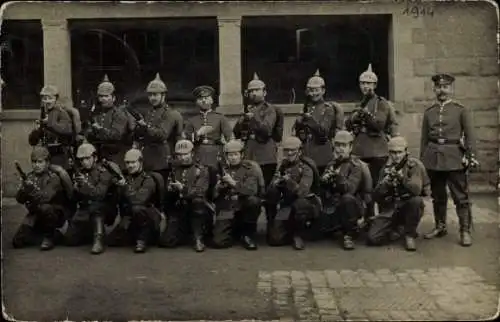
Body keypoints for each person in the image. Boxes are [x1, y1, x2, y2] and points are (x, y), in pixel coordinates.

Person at [420, 73, 478, 247]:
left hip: (454, 157)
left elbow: (470, 136)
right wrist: (423, 160)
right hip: (433, 158)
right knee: (438, 195)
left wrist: (470, 156)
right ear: (434, 89)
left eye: (445, 87)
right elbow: (424, 139)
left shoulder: (460, 110)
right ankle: (440, 226)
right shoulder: (429, 112)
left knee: (460, 196)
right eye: (438, 87)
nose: (441, 90)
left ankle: (465, 230)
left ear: (451, 89)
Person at [346, 63, 399, 223]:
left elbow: (379, 125)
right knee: (363, 188)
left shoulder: (381, 103)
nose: (365, 86)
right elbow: (349, 124)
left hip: (377, 151)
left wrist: (365, 115)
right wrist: (354, 117)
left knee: (379, 187)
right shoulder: (360, 103)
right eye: (363, 83)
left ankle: (383, 219)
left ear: (375, 85)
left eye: (369, 83)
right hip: (360, 148)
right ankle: (368, 218)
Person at [367, 137, 430, 251]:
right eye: (393, 152)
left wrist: (402, 178)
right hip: (390, 208)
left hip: (407, 205)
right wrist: (386, 183)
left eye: (399, 152)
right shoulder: (385, 168)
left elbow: (416, 189)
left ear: (406, 151)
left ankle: (409, 234)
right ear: (389, 153)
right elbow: (376, 195)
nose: (396, 156)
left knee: (416, 201)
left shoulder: (414, 165)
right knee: (373, 238)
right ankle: (397, 229)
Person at [266, 136, 320, 250]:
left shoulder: (306, 167)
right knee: (275, 239)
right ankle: (288, 230)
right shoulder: (283, 165)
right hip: (288, 204)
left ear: (299, 151)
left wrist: (288, 182)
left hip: (306, 204)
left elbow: (302, 192)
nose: (289, 153)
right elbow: (272, 186)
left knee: (300, 204)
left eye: (292, 151)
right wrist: (275, 184)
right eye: (287, 151)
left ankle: (298, 233)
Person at [64, 143, 119, 254]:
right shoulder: (80, 173)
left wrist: (85, 185)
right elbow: (73, 198)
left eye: (88, 158)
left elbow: (99, 194)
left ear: (95, 157)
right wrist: (75, 188)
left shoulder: (104, 172)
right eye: (82, 159)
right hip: (85, 208)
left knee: (96, 209)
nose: (85, 162)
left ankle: (98, 238)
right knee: (70, 239)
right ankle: (89, 230)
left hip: (103, 207)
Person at [158, 139, 212, 252]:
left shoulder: (201, 170)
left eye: (185, 154)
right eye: (179, 155)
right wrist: (171, 190)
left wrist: (183, 189)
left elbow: (200, 191)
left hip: (198, 209)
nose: (182, 158)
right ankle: (184, 230)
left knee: (197, 201)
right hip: (180, 208)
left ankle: (198, 237)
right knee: (166, 241)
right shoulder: (174, 170)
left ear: (192, 153)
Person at [12, 147, 70, 250]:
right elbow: (19, 199)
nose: (36, 165)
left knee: (45, 208)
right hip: (35, 212)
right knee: (17, 242)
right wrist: (23, 190)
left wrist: (31, 190)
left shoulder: (53, 178)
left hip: (54, 213)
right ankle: (43, 232)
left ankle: (49, 237)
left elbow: (45, 197)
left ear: (47, 163)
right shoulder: (30, 177)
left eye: (40, 162)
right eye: (34, 162)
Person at [211, 140, 264, 250]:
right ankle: (234, 231)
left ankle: (247, 234)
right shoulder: (220, 169)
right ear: (226, 156)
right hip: (227, 207)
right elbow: (213, 196)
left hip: (243, 206)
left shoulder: (251, 168)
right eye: (230, 155)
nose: (233, 158)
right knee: (218, 242)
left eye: (236, 154)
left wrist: (233, 183)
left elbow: (251, 190)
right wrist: (218, 187)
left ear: (242, 155)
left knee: (253, 201)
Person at [233, 73, 281, 187]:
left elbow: (266, 130)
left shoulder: (270, 109)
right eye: (250, 91)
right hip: (249, 152)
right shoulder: (248, 109)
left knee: (264, 187)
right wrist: (242, 120)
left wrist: (253, 117)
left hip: (265, 154)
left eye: (256, 90)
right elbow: (236, 133)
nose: (253, 93)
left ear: (264, 92)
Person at [292, 69, 344, 174]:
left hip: (322, 154)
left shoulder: (328, 109)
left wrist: (309, 120)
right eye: (310, 90)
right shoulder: (307, 107)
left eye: (316, 90)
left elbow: (323, 132)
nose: (313, 93)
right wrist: (298, 124)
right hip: (307, 153)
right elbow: (299, 133)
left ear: (323, 91)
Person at [319, 131, 364, 250]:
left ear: (350, 147)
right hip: (333, 205)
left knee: (347, 199)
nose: (340, 149)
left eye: (344, 146)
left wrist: (338, 177)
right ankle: (336, 227)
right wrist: (324, 181)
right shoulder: (331, 164)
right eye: (338, 145)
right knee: (316, 233)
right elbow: (322, 188)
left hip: (351, 205)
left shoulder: (356, 166)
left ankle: (349, 234)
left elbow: (350, 189)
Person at [111, 149, 162, 253]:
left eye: (133, 162)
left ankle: (142, 239)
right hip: (130, 216)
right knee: (111, 241)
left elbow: (139, 200)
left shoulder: (148, 179)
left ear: (140, 162)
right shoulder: (125, 178)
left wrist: (125, 187)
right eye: (127, 162)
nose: (130, 165)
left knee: (137, 209)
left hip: (148, 217)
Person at [131, 73, 183, 172]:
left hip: (162, 159)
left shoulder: (170, 113)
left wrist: (145, 127)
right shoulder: (149, 112)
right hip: (148, 158)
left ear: (163, 95)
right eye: (150, 95)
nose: (152, 98)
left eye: (155, 95)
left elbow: (162, 135)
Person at [82, 74, 130, 169]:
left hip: (115, 157)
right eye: (101, 96)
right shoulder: (97, 114)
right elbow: (88, 133)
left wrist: (99, 129)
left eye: (106, 96)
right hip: (99, 157)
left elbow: (116, 135)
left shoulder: (119, 114)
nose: (103, 99)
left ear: (113, 97)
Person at [183, 85, 233, 169]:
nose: (203, 100)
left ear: (212, 100)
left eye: (206, 98)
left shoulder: (220, 118)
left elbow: (230, 137)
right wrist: (198, 134)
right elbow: (186, 141)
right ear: (196, 102)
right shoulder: (191, 120)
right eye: (200, 98)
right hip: (198, 154)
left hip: (216, 153)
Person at [29, 85, 74, 170]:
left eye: (50, 98)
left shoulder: (62, 113)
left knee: (60, 173)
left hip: (59, 154)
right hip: (45, 154)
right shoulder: (43, 114)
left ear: (56, 99)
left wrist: (49, 123)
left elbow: (67, 131)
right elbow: (33, 141)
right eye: (44, 99)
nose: (47, 101)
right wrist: (37, 130)